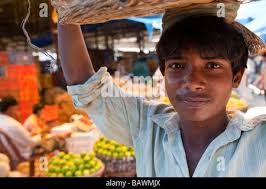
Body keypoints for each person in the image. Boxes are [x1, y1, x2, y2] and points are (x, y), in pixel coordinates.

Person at [57, 2, 266, 176]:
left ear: (236, 77)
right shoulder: (146, 128)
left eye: (212, 66)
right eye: (177, 66)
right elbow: (85, 84)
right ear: (164, 73)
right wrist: (66, 11)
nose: (192, 81)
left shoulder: (260, 141)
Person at [0, 96, 38, 166]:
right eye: (16, 109)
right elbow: (31, 143)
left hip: (7, 158)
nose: (18, 112)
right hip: (22, 156)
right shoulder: (13, 124)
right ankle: (44, 168)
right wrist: (41, 137)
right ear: (10, 109)